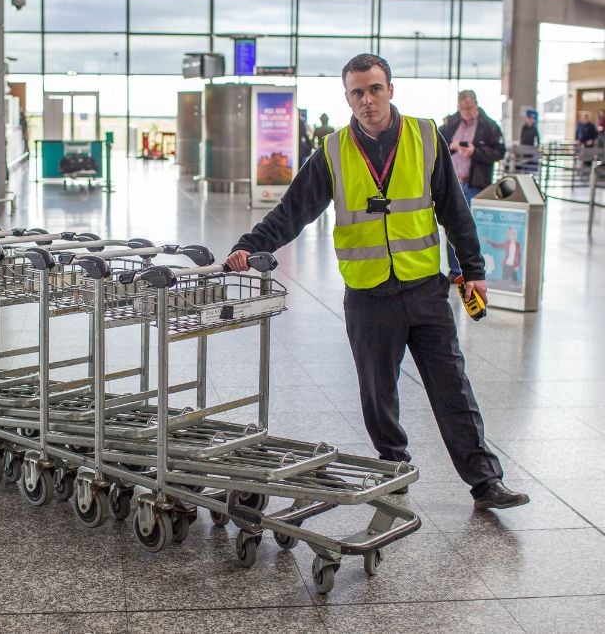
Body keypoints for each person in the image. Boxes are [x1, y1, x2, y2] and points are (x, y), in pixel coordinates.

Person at [226, 53, 529, 511]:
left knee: (452, 387)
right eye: (357, 92)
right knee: (377, 392)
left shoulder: (426, 136)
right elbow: (294, 210)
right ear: (347, 97)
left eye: (375, 89)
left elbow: (454, 212)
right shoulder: (332, 150)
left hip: (426, 287)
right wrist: (250, 246)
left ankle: (485, 481)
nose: (367, 100)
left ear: (390, 89)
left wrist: (475, 271)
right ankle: (394, 469)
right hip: (369, 293)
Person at [440, 90, 506, 279]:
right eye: (462, 109)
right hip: (452, 184)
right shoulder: (450, 124)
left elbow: (499, 152)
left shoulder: (489, 126)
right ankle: (455, 271)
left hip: (475, 185)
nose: (466, 112)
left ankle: (474, 271)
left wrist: (475, 152)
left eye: (469, 108)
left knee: (469, 228)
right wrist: (451, 146)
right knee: (451, 226)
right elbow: (435, 144)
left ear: (476, 104)